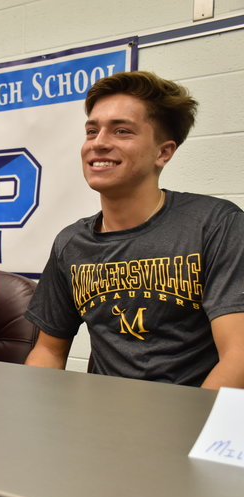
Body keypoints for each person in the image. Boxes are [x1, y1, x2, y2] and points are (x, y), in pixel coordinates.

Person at [24, 71, 244, 389]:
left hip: (190, 421)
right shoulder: (71, 243)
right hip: (103, 420)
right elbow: (48, 350)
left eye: (122, 131)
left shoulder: (216, 225)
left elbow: (237, 358)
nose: (98, 143)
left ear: (163, 152)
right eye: (91, 131)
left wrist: (194, 437)